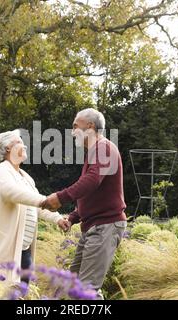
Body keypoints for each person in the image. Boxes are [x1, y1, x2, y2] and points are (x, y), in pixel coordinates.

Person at [41, 108, 127, 299]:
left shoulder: (104, 148)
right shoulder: (95, 152)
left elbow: (91, 181)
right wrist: (73, 217)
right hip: (94, 227)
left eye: (75, 126)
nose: (72, 132)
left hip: (105, 226)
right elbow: (93, 193)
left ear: (90, 126)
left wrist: (60, 197)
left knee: (85, 291)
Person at [0, 129, 70, 285]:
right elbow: (12, 192)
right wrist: (44, 200)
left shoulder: (26, 177)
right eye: (20, 142)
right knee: (2, 290)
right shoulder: (0, 172)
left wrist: (58, 219)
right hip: (4, 248)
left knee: (23, 292)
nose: (25, 146)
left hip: (24, 249)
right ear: (8, 148)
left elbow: (33, 206)